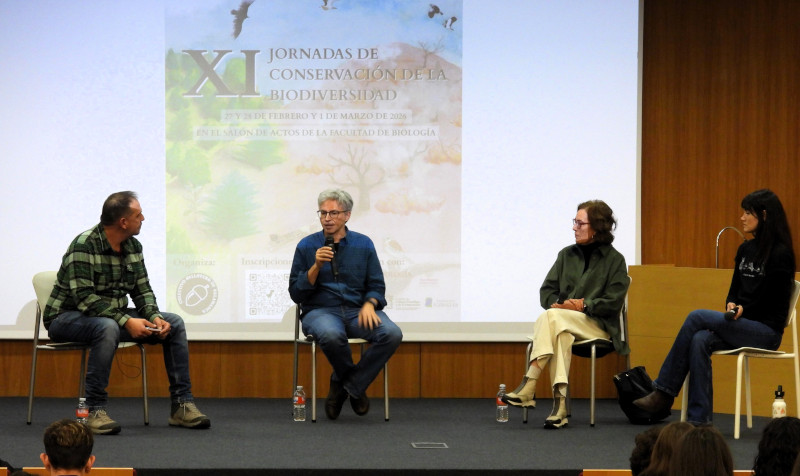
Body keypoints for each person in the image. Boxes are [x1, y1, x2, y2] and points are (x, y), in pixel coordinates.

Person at [44, 191, 210, 434]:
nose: (143, 218)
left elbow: (142, 290)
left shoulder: (133, 246)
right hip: (66, 318)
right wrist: (126, 320)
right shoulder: (84, 245)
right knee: (107, 326)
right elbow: (84, 298)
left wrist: (154, 316)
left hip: (109, 317)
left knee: (174, 322)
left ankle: (181, 406)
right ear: (123, 222)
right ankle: (93, 410)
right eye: (138, 214)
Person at [634, 189, 796, 425]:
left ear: (764, 216)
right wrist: (731, 303)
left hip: (766, 332)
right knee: (699, 338)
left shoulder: (781, 254)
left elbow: (773, 302)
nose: (741, 217)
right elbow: (734, 289)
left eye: (747, 212)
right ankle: (699, 421)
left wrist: (744, 310)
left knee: (697, 317)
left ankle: (664, 392)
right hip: (741, 324)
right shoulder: (745, 249)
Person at [502, 200, 630, 429]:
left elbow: (613, 302)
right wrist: (559, 305)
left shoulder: (615, 261)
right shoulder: (565, 255)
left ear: (597, 227)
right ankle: (559, 408)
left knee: (551, 318)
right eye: (575, 222)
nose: (574, 228)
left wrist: (583, 305)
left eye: (580, 223)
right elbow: (546, 292)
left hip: (597, 325)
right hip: (565, 323)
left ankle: (530, 383)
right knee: (560, 330)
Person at [289, 189, 403, 420]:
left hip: (357, 311)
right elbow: (296, 293)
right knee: (331, 335)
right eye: (323, 213)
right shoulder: (306, 246)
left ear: (347, 215)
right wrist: (315, 266)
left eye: (333, 213)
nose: (327, 218)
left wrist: (370, 304)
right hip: (320, 311)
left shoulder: (364, 244)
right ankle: (355, 387)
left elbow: (376, 284)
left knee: (391, 333)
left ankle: (345, 385)